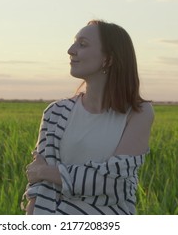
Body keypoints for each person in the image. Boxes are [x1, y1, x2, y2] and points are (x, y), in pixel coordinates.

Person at [23, 20, 154, 215]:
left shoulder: (138, 113)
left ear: (108, 59)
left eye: (82, 44)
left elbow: (115, 184)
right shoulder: (55, 112)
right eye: (74, 43)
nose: (70, 50)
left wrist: (45, 172)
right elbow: (39, 189)